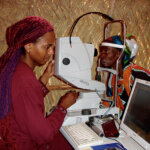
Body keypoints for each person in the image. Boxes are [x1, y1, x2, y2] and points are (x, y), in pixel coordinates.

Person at [0, 16, 79, 150]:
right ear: (28, 46)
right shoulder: (24, 79)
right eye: (47, 47)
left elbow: (23, 102)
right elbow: (44, 135)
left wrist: (46, 76)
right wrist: (63, 107)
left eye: (53, 47)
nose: (51, 52)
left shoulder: (18, 69)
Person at [98, 35, 150, 118]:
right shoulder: (113, 74)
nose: (101, 56)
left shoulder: (138, 75)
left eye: (106, 52)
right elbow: (113, 102)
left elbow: (141, 112)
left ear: (119, 54)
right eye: (101, 52)